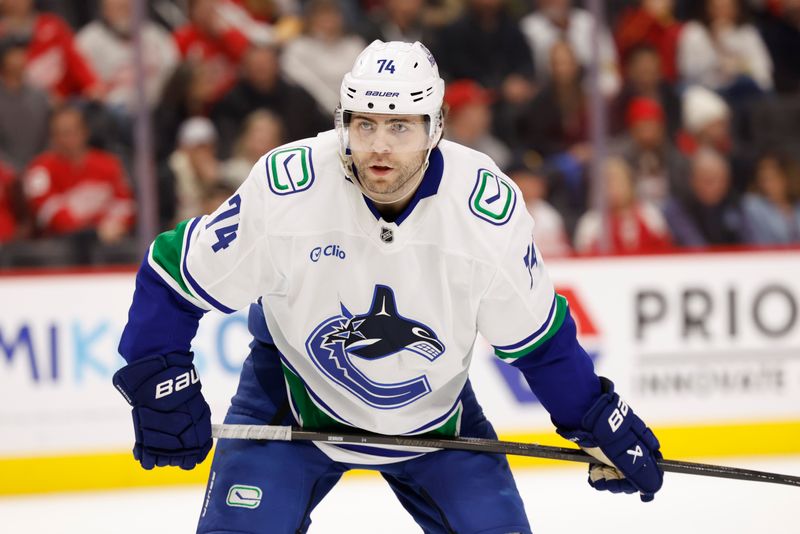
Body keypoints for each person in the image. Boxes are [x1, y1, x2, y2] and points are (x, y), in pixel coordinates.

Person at [112, 40, 663, 534]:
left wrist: (595, 420)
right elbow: (172, 274)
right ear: (341, 121)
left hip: (436, 417)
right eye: (364, 124)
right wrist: (158, 378)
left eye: (400, 126)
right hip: (287, 396)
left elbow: (540, 344)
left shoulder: (484, 213)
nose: (379, 146)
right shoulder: (288, 189)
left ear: (435, 127)